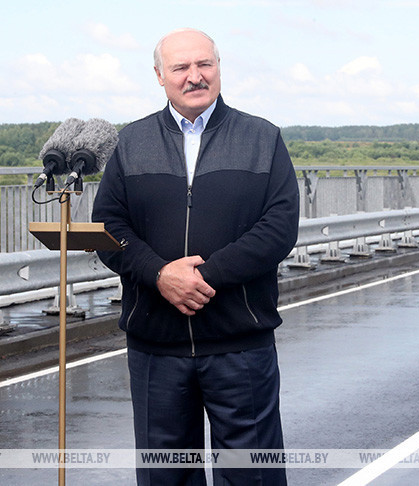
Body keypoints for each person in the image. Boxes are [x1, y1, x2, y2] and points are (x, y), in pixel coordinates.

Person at [92, 27, 299, 485]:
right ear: (159, 75)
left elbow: (279, 228)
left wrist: (204, 277)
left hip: (239, 344)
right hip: (156, 347)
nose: (195, 76)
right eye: (181, 67)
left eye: (204, 64)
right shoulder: (131, 142)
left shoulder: (262, 137)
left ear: (219, 68)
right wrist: (160, 274)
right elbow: (108, 227)